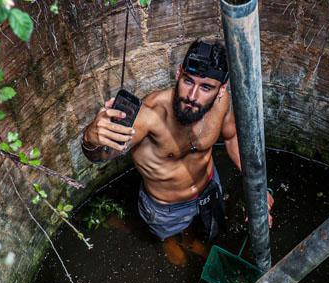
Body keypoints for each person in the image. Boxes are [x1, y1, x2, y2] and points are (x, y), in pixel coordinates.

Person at [80, 39, 273, 242]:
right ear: (179, 73)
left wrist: (258, 188)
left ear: (221, 89)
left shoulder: (221, 103)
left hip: (209, 188)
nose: (192, 95)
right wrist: (91, 138)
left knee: (213, 233)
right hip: (166, 211)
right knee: (176, 253)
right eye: (188, 81)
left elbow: (231, 136)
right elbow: (101, 154)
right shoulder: (150, 116)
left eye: (206, 87)